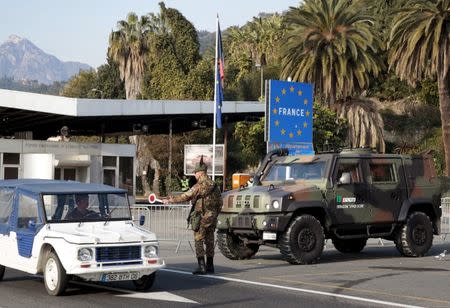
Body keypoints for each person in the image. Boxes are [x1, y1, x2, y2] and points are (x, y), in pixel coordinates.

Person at [164, 159, 222, 275]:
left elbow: (186, 196)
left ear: (200, 173)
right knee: (210, 241)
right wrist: (214, 214)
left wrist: (171, 200)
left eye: (195, 172)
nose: (195, 175)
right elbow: (220, 203)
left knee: (198, 240)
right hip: (212, 217)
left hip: (201, 217)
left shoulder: (199, 186)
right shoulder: (215, 186)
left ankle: (201, 266)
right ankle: (210, 266)